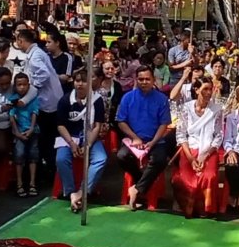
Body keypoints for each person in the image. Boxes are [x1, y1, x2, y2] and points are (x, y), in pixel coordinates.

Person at [116, 67, 172, 211]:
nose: (144, 82)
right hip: (134, 141)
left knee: (160, 160)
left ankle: (137, 188)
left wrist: (153, 141)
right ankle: (141, 181)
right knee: (122, 156)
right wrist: (135, 138)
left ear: (153, 80)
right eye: (141, 79)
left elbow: (164, 124)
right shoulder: (128, 97)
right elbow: (121, 121)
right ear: (136, 80)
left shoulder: (162, 99)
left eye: (147, 79)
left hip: (155, 140)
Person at [55, 70, 107, 213]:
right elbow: (60, 125)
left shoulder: (97, 100)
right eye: (78, 81)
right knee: (61, 159)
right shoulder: (65, 100)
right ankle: (70, 192)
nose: (80, 84)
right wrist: (71, 143)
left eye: (84, 81)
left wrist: (88, 145)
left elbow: (97, 125)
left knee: (101, 158)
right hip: (68, 137)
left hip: (89, 137)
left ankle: (83, 191)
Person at [174, 78, 224, 219]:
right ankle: (189, 206)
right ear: (196, 90)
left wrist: (206, 154)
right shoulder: (186, 108)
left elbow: (218, 136)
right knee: (187, 178)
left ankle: (205, 208)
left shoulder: (217, 110)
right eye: (205, 89)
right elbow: (181, 134)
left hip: (209, 150)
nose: (209, 93)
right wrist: (190, 158)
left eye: (210, 89)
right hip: (189, 149)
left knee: (209, 176)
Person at [18, 28, 62, 171]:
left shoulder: (36, 55)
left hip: (47, 102)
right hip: (51, 98)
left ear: (20, 41)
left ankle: (48, 166)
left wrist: (32, 86)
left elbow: (44, 74)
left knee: (46, 138)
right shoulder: (38, 53)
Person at [7, 73, 41, 197]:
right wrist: (17, 133)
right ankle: (19, 184)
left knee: (33, 156)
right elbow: (11, 117)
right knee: (19, 155)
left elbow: (34, 114)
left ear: (28, 85)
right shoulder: (13, 99)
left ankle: (32, 183)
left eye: (24, 84)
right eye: (19, 85)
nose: (22, 87)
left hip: (33, 131)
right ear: (15, 86)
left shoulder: (33, 99)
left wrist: (31, 129)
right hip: (19, 132)